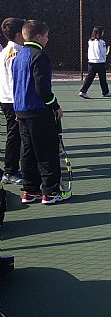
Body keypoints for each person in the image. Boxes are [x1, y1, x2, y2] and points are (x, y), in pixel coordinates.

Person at [12, 20, 67, 204]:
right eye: (46, 35)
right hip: (39, 112)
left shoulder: (17, 57)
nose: (48, 39)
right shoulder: (40, 56)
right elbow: (42, 89)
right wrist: (55, 106)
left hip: (21, 112)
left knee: (27, 152)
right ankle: (50, 192)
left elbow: (17, 86)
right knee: (47, 151)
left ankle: (30, 191)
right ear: (38, 37)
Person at [0, 18, 25, 185]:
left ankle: (13, 169)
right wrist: (18, 106)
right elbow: (14, 82)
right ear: (18, 34)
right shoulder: (15, 53)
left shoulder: (7, 51)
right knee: (15, 135)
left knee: (16, 135)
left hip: (8, 98)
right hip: (12, 100)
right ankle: (10, 171)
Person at [78, 26, 111, 99]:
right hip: (100, 62)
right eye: (102, 32)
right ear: (99, 33)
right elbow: (103, 52)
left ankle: (83, 91)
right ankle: (105, 92)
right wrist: (105, 58)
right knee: (102, 78)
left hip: (91, 62)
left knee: (89, 78)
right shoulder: (102, 42)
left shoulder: (90, 41)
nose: (103, 33)